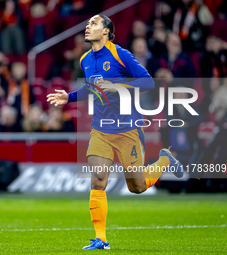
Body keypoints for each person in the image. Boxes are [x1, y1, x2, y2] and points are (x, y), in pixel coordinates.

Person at [46, 14, 184, 250]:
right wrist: (68, 97)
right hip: (101, 129)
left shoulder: (120, 54)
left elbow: (147, 82)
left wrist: (118, 86)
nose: (88, 27)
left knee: (137, 187)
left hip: (127, 129)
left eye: (94, 24)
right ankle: (101, 239)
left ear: (106, 31)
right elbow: (92, 89)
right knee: (98, 181)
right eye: (88, 23)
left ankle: (165, 159)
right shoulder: (85, 60)